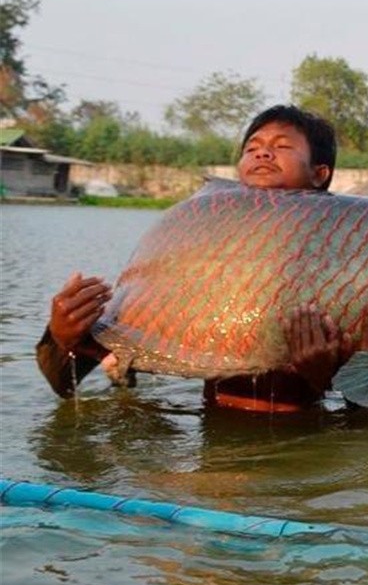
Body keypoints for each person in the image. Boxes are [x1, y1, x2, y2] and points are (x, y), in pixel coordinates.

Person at [37, 104, 345, 413]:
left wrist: (322, 375)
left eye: (282, 146)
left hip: (300, 441)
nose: (262, 153)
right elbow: (61, 384)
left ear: (319, 174)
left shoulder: (345, 263)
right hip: (209, 443)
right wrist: (64, 336)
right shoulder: (201, 256)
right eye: (252, 147)